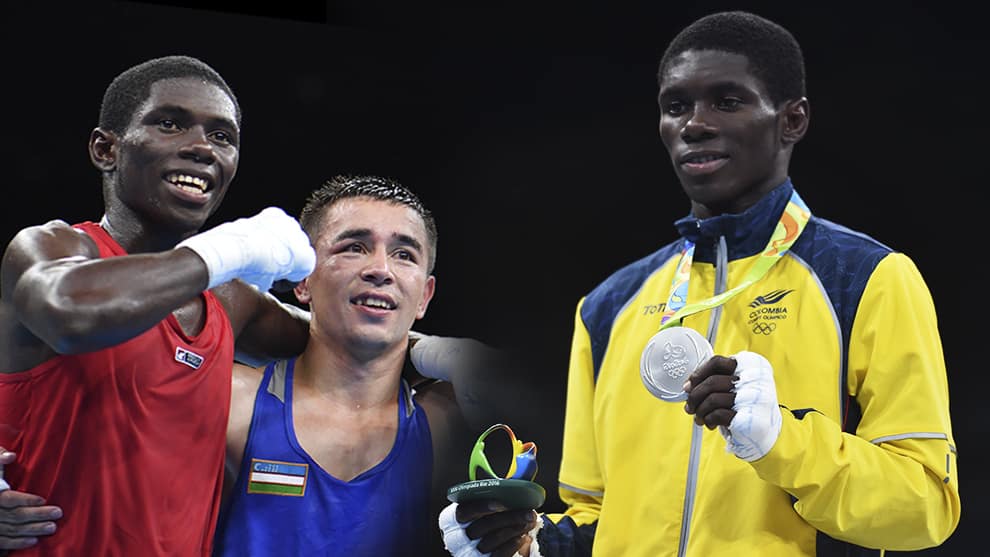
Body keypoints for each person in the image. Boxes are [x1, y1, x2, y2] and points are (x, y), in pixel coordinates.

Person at [438, 10, 960, 556]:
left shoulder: (866, 279)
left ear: (793, 120)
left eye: (728, 101)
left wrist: (786, 442)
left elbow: (924, 509)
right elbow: (597, 514)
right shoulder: (607, 306)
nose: (695, 124)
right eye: (676, 106)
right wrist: (530, 544)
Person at [0, 54, 319, 556]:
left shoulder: (229, 300)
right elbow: (69, 315)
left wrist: (441, 354)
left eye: (222, 136)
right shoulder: (52, 249)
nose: (200, 148)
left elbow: (346, 350)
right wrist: (227, 248)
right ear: (106, 149)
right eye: (170, 124)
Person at [213, 175, 501, 557]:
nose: (381, 269)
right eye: (354, 247)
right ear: (303, 280)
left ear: (424, 297)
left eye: (404, 254)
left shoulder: (447, 422)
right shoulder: (233, 402)